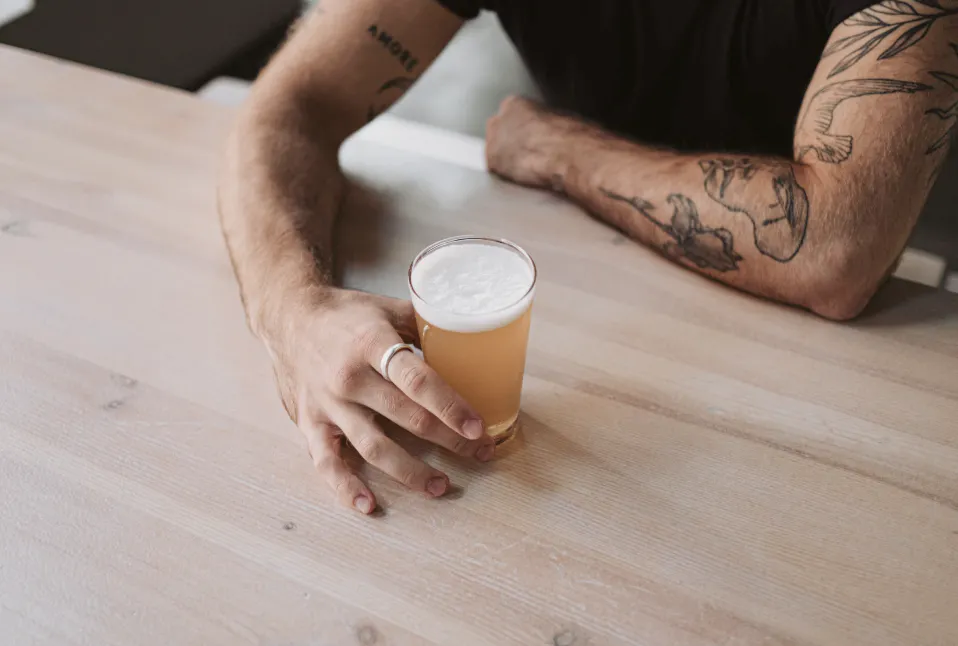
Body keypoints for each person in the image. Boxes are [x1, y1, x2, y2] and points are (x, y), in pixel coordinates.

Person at [218, 0, 958, 513]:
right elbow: (292, 106)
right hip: (602, 321)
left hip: (824, 384)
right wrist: (292, 310)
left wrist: (559, 151)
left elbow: (833, 249)